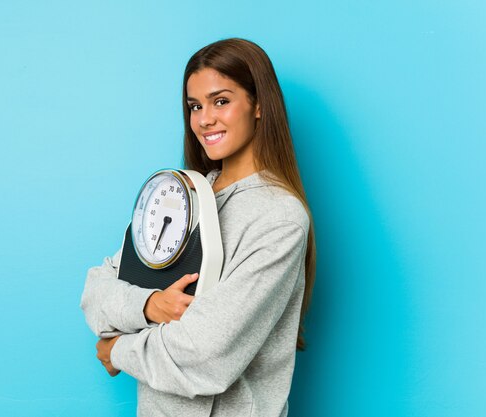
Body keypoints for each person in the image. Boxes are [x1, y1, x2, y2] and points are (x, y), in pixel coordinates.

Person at [81, 38, 317, 417]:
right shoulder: (179, 197)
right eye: (195, 106)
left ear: (259, 105)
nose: (204, 119)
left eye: (221, 101)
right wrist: (150, 305)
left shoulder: (279, 217)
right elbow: (96, 291)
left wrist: (117, 351)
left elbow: (208, 355)